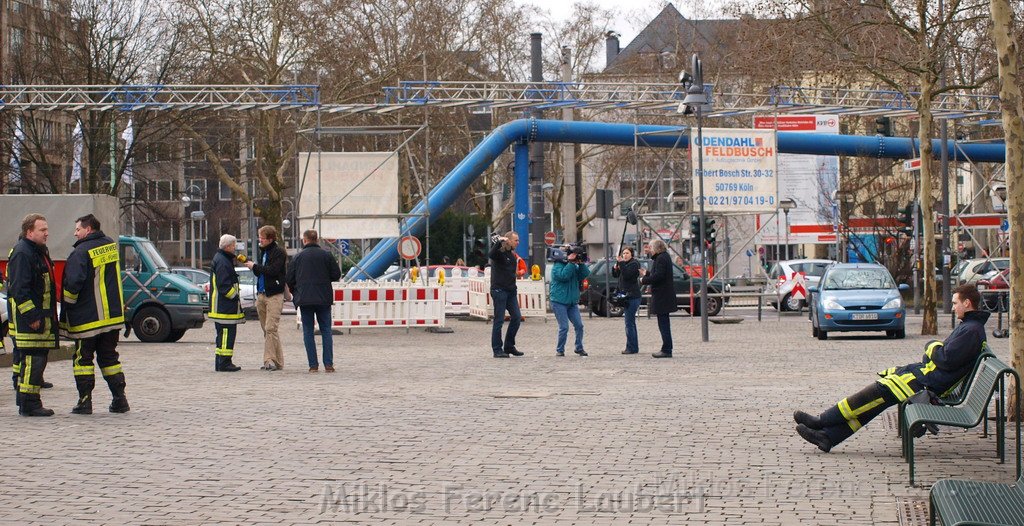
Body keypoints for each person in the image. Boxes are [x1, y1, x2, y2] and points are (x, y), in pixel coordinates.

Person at [794, 284, 988, 452]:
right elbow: (947, 357)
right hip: (927, 378)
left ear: (967, 303)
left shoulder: (971, 330)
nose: (953, 308)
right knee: (877, 400)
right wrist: (935, 349)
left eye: (955, 303)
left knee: (877, 392)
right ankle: (828, 437)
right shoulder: (970, 327)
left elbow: (945, 358)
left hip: (928, 384)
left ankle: (822, 421)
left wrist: (931, 346)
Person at [60, 214, 129, 414]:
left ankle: (85, 401)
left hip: (87, 319)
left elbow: (73, 283)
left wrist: (68, 305)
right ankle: (120, 399)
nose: (75, 233)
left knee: (83, 360)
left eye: (78, 229)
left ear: (88, 229)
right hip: (112, 317)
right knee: (109, 359)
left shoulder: (80, 252)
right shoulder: (110, 246)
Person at [7, 214, 59, 416]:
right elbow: (20, 289)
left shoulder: (36, 251)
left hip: (41, 319)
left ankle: (27, 401)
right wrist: (32, 317)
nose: (47, 233)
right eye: (42, 230)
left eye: (46, 229)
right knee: (32, 362)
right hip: (31, 322)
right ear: (29, 232)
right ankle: (30, 404)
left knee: (36, 361)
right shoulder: (23, 253)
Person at [286, 229, 341, 373]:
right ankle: (328, 364)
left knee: (308, 332)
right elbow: (336, 275)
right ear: (317, 240)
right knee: (326, 331)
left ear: (304, 240)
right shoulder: (326, 255)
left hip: (305, 299)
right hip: (323, 298)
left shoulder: (297, 258)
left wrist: (295, 292)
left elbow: (289, 279)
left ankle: (313, 365)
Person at [245, 225, 287, 371]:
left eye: (262, 238)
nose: (259, 240)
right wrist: (255, 268)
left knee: (270, 328)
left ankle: (268, 360)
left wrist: (255, 267)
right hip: (262, 294)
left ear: (270, 239)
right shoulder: (263, 253)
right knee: (268, 330)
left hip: (274, 295)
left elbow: (273, 271)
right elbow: (261, 273)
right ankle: (279, 362)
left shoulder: (279, 253)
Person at [209, 234, 245, 372]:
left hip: (221, 307)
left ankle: (220, 362)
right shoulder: (223, 261)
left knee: (222, 337)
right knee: (226, 335)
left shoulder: (221, 259)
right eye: (234, 246)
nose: (235, 248)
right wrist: (235, 296)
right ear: (228, 246)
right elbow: (224, 285)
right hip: (224, 308)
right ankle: (225, 363)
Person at [638, 239, 676, 358]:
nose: (649, 249)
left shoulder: (661, 258)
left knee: (663, 324)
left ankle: (666, 349)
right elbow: (658, 274)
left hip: (662, 296)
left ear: (656, 248)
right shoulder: (663, 257)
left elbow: (659, 276)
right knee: (664, 323)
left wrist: (644, 280)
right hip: (664, 295)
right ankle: (667, 348)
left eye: (650, 247)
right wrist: (648, 273)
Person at [549, 246, 590, 357]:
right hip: (559, 301)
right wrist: (571, 263)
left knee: (579, 325)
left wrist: (581, 263)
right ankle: (560, 349)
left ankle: (579, 347)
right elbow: (564, 276)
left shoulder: (574, 266)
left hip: (572, 302)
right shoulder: (557, 266)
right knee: (564, 327)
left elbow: (585, 274)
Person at [489, 232, 524, 358]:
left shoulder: (512, 254)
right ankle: (497, 349)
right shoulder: (500, 251)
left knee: (516, 317)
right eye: (515, 240)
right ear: (508, 240)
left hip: (510, 290)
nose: (518, 242)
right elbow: (491, 254)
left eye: (518, 240)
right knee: (499, 320)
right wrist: (499, 241)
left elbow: (510, 272)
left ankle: (509, 346)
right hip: (499, 290)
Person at [612, 246, 643, 355]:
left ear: (631, 255)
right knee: (630, 323)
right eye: (623, 253)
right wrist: (615, 267)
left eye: (627, 253)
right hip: (625, 296)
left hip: (633, 296)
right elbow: (616, 275)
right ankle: (632, 346)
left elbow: (627, 275)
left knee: (629, 323)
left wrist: (621, 264)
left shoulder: (634, 264)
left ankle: (631, 348)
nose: (625, 255)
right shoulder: (625, 264)